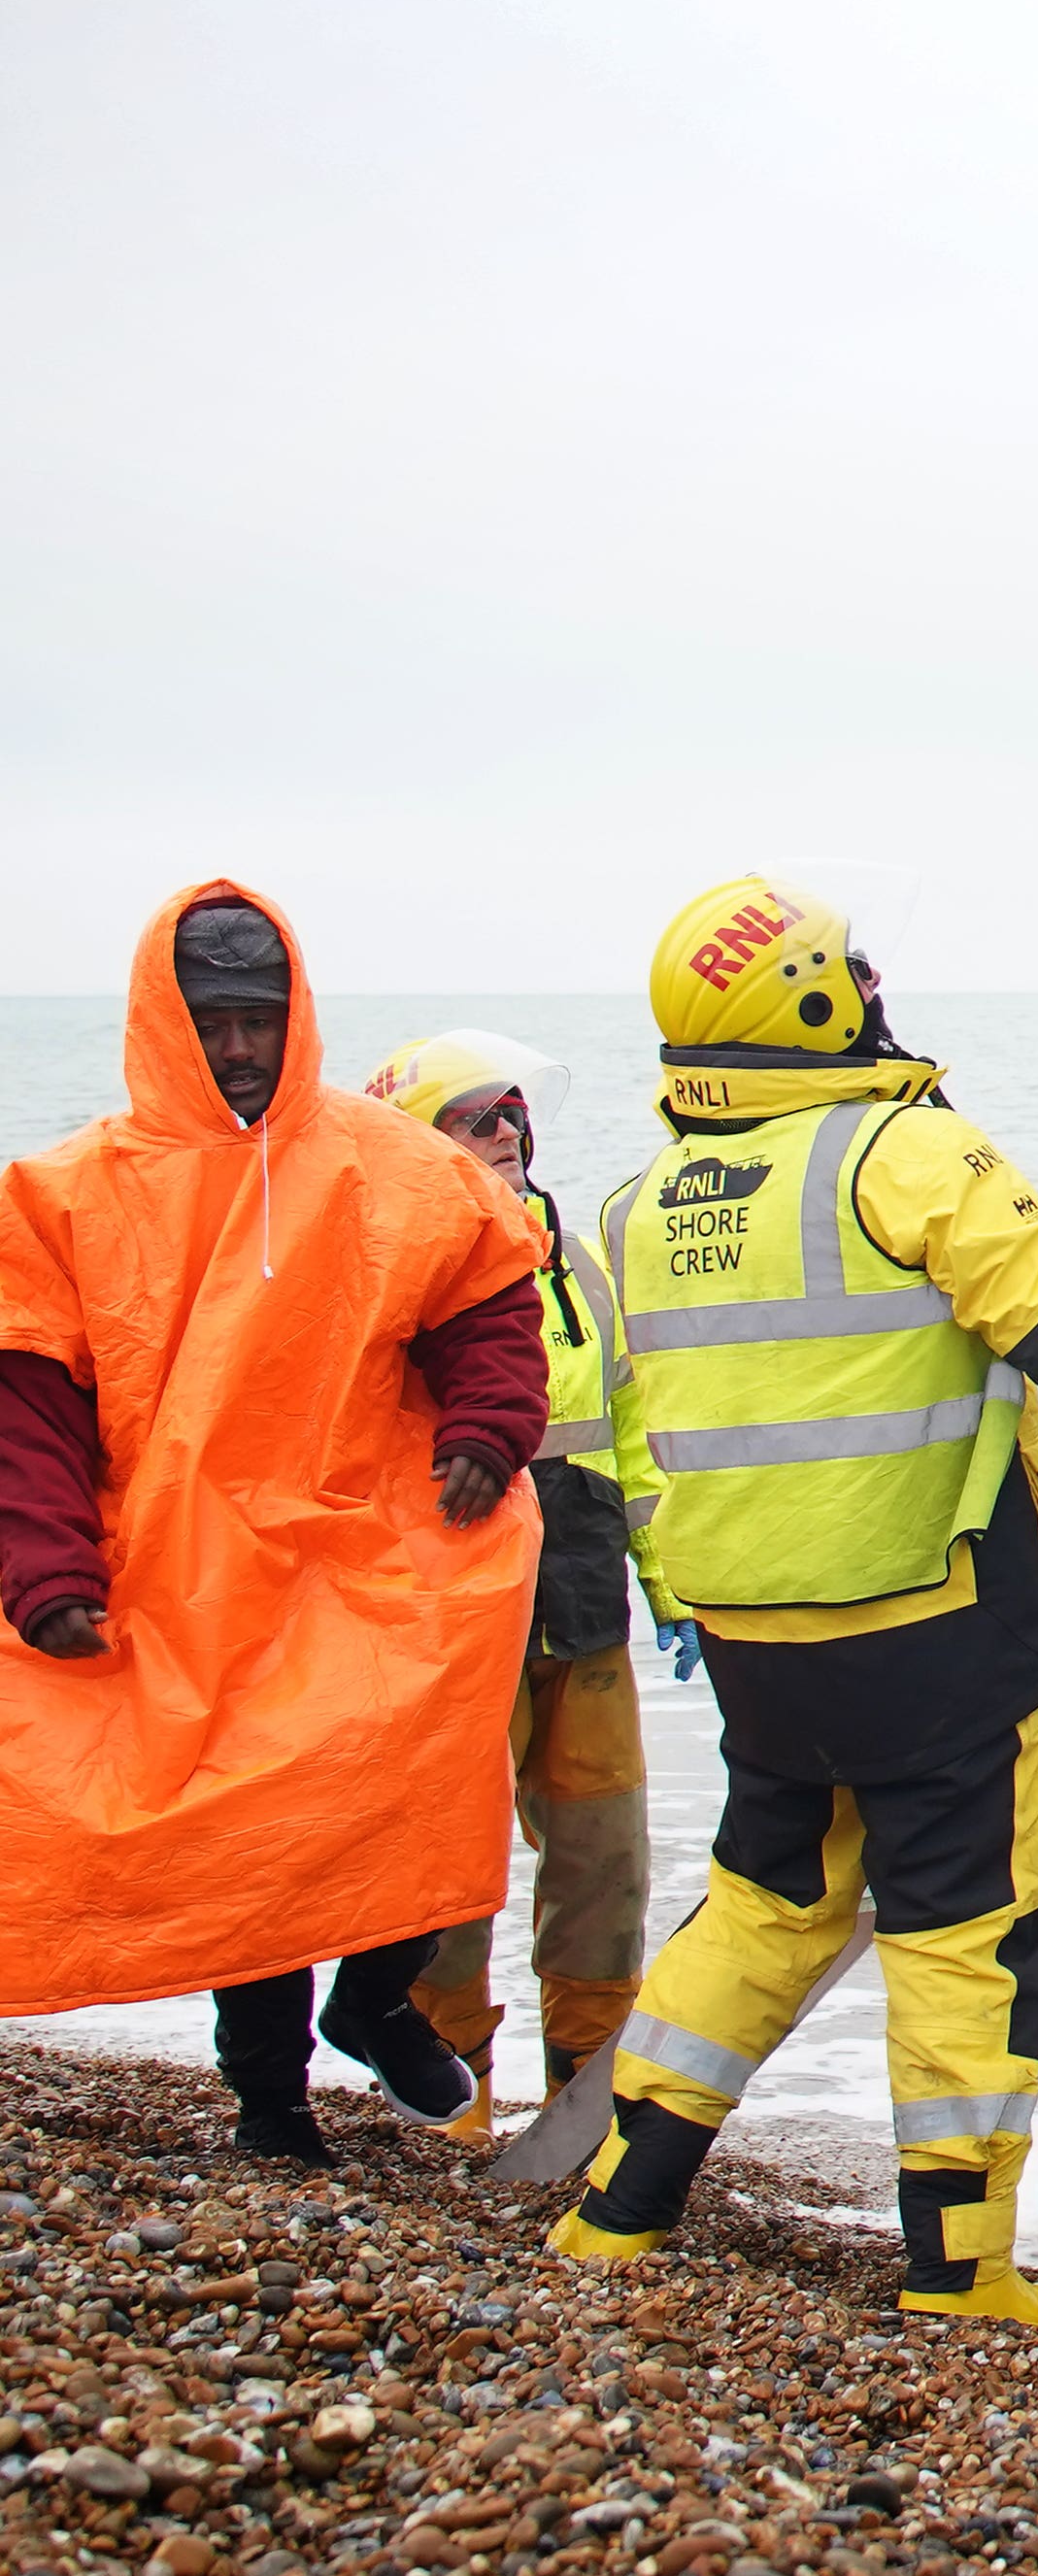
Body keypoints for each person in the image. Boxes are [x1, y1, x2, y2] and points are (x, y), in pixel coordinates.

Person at [550, 878, 1038, 2325]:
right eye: (848, 970)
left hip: (756, 1642)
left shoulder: (637, 1206)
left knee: (762, 1902)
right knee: (964, 1929)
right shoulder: (905, 1151)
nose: (869, 985)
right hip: (931, 1630)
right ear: (810, 999)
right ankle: (958, 2268)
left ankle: (622, 2204)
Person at [0, 889, 542, 2163]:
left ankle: (372, 2005)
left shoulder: (396, 1163)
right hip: (181, 1570)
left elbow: (491, 1309)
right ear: (161, 1024)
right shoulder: (64, 1192)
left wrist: (484, 1430)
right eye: (212, 1024)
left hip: (366, 1547)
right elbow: (27, 1403)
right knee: (245, 1839)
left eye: (260, 1019)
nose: (238, 1048)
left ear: (296, 1018)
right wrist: (45, 1566)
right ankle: (269, 2102)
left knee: (417, 1777)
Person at [363, 1030, 654, 2137]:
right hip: (444, 1612)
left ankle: (589, 2102)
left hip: (580, 1600)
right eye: (475, 1117)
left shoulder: (577, 1263)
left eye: (513, 1115)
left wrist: (676, 1591)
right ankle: (443, 2104)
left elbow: (634, 1436)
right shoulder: (386, 1272)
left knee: (602, 1860)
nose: (504, 1135)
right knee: (445, 1865)